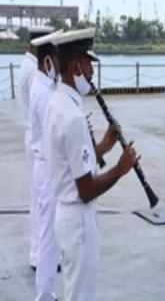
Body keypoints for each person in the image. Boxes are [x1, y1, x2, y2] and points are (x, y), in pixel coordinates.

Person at [42, 28, 138, 301]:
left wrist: (103, 147)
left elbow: (72, 163)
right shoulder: (72, 116)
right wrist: (120, 168)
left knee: (75, 292)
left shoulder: (56, 103)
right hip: (78, 219)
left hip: (66, 215)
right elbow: (85, 188)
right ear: (76, 66)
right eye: (88, 65)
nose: (92, 73)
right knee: (81, 295)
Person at [28, 29, 64, 301]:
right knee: (48, 235)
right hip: (47, 165)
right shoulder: (43, 91)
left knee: (49, 234)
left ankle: (47, 292)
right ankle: (45, 295)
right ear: (47, 60)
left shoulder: (45, 85)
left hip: (46, 164)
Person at [19, 24, 55, 271]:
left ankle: (38, 254)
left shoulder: (26, 65)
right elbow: (44, 112)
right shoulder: (35, 73)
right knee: (44, 203)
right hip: (40, 140)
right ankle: (41, 256)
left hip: (33, 136)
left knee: (38, 201)